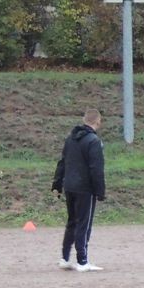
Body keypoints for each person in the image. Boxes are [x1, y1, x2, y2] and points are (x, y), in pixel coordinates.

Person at [52, 110, 106, 272]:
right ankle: (82, 261)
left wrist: (57, 184)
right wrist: (100, 190)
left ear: (84, 120)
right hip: (85, 188)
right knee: (84, 223)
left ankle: (65, 258)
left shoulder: (70, 139)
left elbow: (62, 162)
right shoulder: (94, 141)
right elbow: (96, 169)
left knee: (72, 222)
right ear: (98, 122)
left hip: (69, 186)